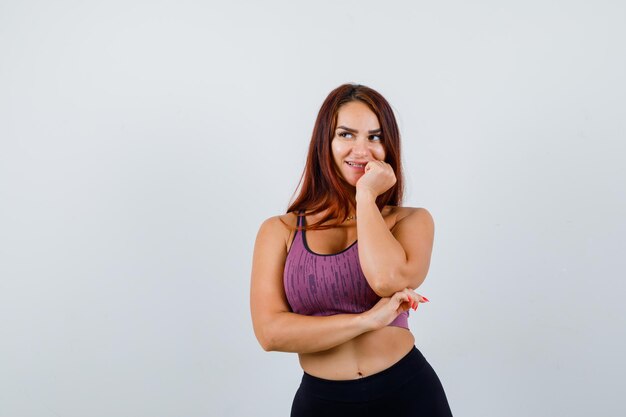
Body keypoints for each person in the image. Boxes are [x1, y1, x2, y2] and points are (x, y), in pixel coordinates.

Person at [250, 83, 453, 416]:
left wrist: (365, 197)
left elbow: (387, 281)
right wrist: (367, 321)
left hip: (408, 395)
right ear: (324, 144)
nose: (362, 150)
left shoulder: (411, 221)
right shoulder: (280, 231)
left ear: (389, 148)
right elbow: (271, 333)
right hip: (322, 403)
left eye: (375, 137)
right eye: (346, 135)